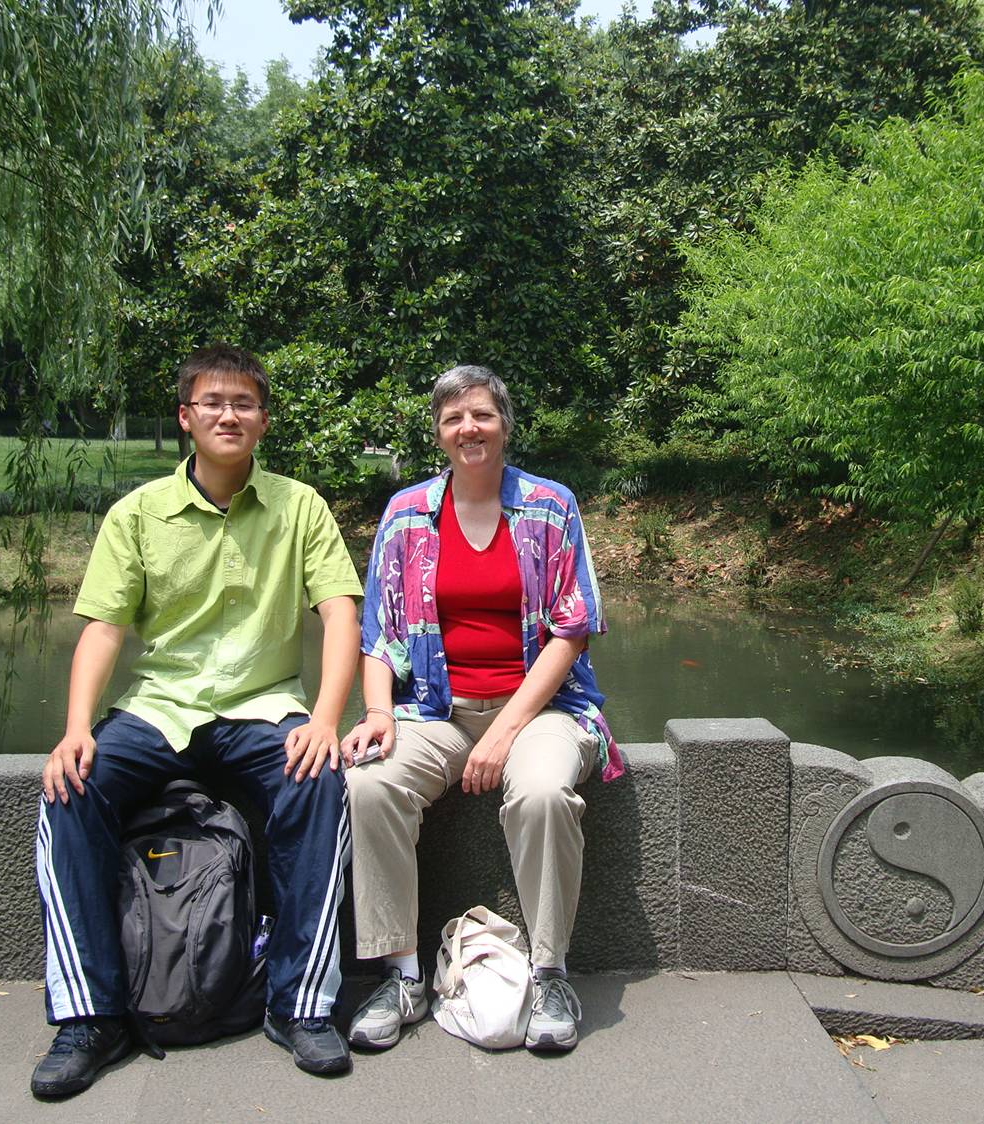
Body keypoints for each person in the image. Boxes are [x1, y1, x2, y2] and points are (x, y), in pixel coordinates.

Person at [30, 343, 363, 1097]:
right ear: (185, 418)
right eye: (212, 403)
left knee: (318, 782)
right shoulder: (139, 514)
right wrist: (77, 725)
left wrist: (323, 717)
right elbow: (104, 630)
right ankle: (91, 1014)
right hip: (161, 706)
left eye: (243, 403)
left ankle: (301, 1003)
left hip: (262, 704)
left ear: (263, 421)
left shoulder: (299, 506)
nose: (228, 415)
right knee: (70, 789)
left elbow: (341, 616)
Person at [339, 364, 624, 1054]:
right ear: (438, 434)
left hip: (542, 709)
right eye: (452, 418)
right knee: (369, 783)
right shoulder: (407, 513)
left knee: (542, 795)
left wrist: (503, 731)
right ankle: (401, 974)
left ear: (504, 423)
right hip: (433, 708)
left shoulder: (549, 505)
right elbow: (378, 630)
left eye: (481, 415)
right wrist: (377, 711)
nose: (468, 428)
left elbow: (571, 627)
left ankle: (551, 972)